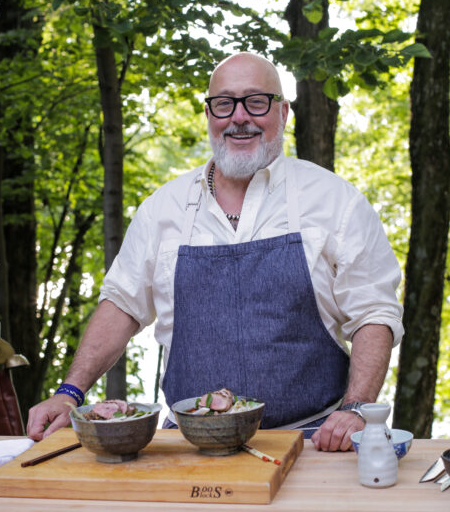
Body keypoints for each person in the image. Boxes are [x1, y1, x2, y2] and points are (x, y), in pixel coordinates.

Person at [27, 52, 403, 451]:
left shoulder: (334, 201)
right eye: (224, 103)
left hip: (313, 440)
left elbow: (374, 314)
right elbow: (122, 304)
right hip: (188, 445)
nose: (239, 117)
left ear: (283, 112)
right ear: (209, 115)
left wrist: (356, 408)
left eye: (256, 102)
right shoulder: (163, 209)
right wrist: (70, 391)